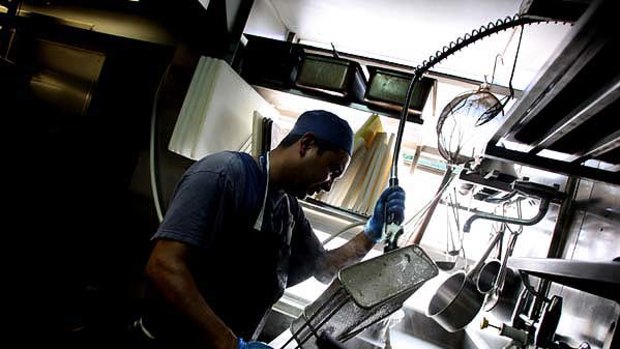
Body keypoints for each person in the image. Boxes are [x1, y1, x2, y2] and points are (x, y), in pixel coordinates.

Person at [136, 110, 406, 349]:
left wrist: (372, 233)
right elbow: (163, 265)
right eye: (332, 171)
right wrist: (231, 343)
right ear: (307, 144)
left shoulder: (288, 208)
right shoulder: (224, 174)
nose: (328, 186)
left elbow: (323, 268)